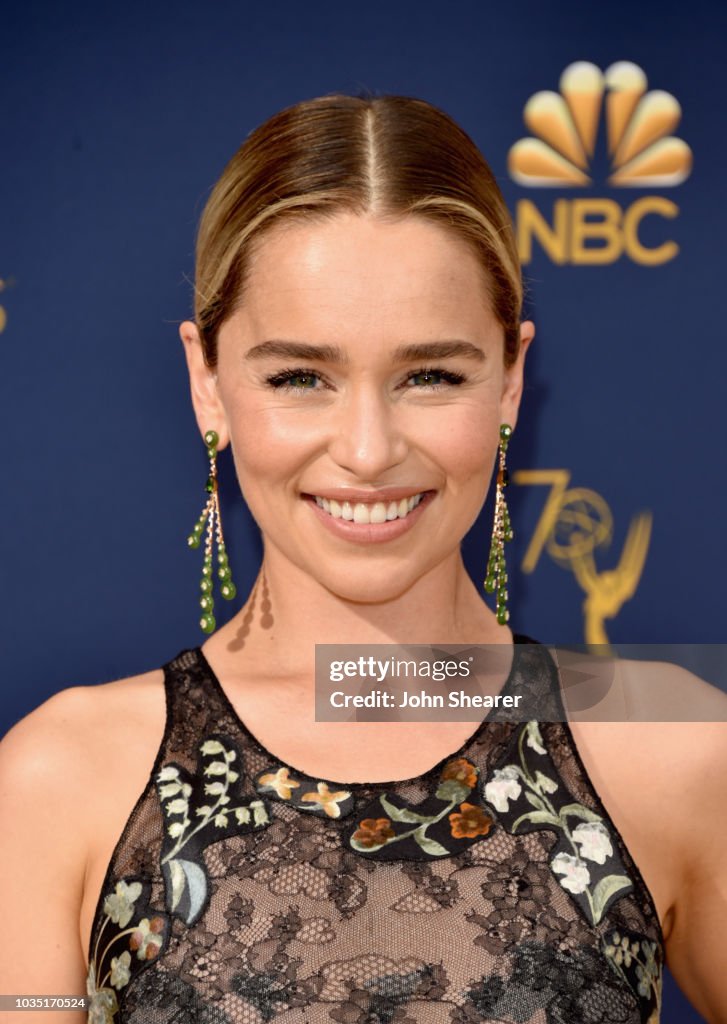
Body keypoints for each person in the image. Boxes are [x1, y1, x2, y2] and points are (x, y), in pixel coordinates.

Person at [0, 91, 725, 1024]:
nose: (369, 448)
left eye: (431, 376)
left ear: (509, 380)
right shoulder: (58, 778)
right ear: (206, 383)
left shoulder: (672, 747)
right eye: (300, 377)